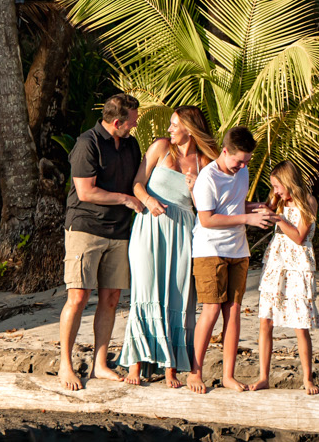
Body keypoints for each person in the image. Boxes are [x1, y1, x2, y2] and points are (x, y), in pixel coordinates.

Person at [121, 105, 217, 387]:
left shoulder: (206, 161)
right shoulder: (161, 148)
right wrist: (148, 201)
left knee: (178, 295)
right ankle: (135, 365)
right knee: (146, 289)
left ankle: (171, 367)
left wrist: (195, 188)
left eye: (175, 124)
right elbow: (137, 184)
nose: (169, 129)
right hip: (150, 227)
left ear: (190, 127)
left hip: (184, 231)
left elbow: (206, 208)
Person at [59, 92, 143, 391]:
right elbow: (85, 192)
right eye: (132, 122)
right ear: (117, 121)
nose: (134, 126)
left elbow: (139, 180)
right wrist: (125, 199)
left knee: (110, 299)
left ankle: (100, 363)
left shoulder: (131, 144)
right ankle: (65, 365)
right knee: (78, 297)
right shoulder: (87, 143)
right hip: (85, 228)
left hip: (119, 231)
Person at [188, 126, 272, 393]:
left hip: (238, 250)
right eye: (239, 161)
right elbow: (207, 218)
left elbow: (234, 206)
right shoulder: (207, 178)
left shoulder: (243, 172)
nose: (243, 166)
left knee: (233, 311)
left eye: (247, 161)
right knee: (211, 309)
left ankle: (228, 375)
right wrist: (247, 218)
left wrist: (254, 208)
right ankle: (195, 372)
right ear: (225, 152)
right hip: (209, 250)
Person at [248, 161, 319, 395]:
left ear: (289, 182)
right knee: (265, 320)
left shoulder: (308, 202)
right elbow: (264, 217)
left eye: (278, 186)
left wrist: (278, 219)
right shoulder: (278, 201)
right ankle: (263, 377)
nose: (276, 191)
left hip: (298, 264)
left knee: (300, 324)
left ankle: (307, 378)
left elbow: (300, 236)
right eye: (274, 186)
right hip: (277, 262)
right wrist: (267, 210)